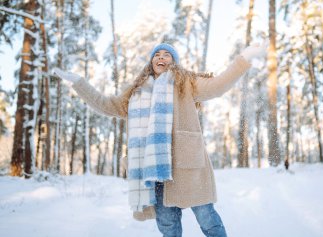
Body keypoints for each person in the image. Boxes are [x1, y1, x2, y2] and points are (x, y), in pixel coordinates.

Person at [54, 41, 267, 237]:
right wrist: (78, 84)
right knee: (168, 226)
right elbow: (107, 105)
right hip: (155, 170)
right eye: (157, 54)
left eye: (167, 54)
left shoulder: (187, 83)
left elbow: (219, 85)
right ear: (151, 61)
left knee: (207, 218)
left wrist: (243, 59)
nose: (161, 57)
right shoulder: (135, 92)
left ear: (173, 62)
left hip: (187, 166)